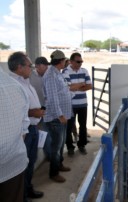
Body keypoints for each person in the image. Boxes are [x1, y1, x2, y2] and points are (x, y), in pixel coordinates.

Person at [8, 52, 44, 201]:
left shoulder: (25, 82)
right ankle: (22, 196)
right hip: (25, 131)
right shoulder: (12, 85)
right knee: (23, 165)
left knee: (31, 162)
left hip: (33, 128)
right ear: (19, 67)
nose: (33, 69)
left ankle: (28, 190)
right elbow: (14, 112)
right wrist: (33, 112)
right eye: (30, 66)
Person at [43, 50, 72, 183]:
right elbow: (53, 99)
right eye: (65, 60)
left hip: (62, 116)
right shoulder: (50, 76)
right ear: (61, 61)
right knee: (56, 146)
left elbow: (62, 91)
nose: (66, 62)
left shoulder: (57, 73)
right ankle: (53, 173)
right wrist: (60, 115)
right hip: (56, 118)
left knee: (60, 144)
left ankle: (59, 164)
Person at [0, 67, 29, 202]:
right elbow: (23, 129)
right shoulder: (15, 85)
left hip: (14, 165)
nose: (32, 69)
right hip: (14, 164)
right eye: (29, 66)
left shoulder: (17, 85)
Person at [62, 52, 92, 156]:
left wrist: (76, 86)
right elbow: (68, 87)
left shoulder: (84, 71)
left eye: (81, 61)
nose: (80, 63)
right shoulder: (65, 71)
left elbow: (89, 86)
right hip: (70, 104)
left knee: (83, 126)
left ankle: (82, 145)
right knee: (69, 127)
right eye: (78, 61)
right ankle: (70, 147)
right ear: (71, 61)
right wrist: (82, 84)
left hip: (83, 103)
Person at [29, 56, 51, 160]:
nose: (47, 68)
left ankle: (49, 156)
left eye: (47, 66)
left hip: (46, 108)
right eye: (44, 66)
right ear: (37, 66)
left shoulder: (49, 75)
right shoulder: (30, 76)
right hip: (34, 111)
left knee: (47, 134)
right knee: (41, 134)